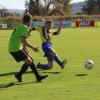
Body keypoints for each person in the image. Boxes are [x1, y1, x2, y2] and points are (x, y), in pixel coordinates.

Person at [8, 14, 48, 82]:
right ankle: (20, 75)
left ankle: (37, 77)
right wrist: (33, 47)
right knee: (29, 61)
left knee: (30, 59)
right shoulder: (24, 27)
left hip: (15, 47)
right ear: (29, 21)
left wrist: (25, 49)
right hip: (14, 49)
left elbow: (22, 40)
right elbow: (24, 40)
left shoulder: (20, 26)